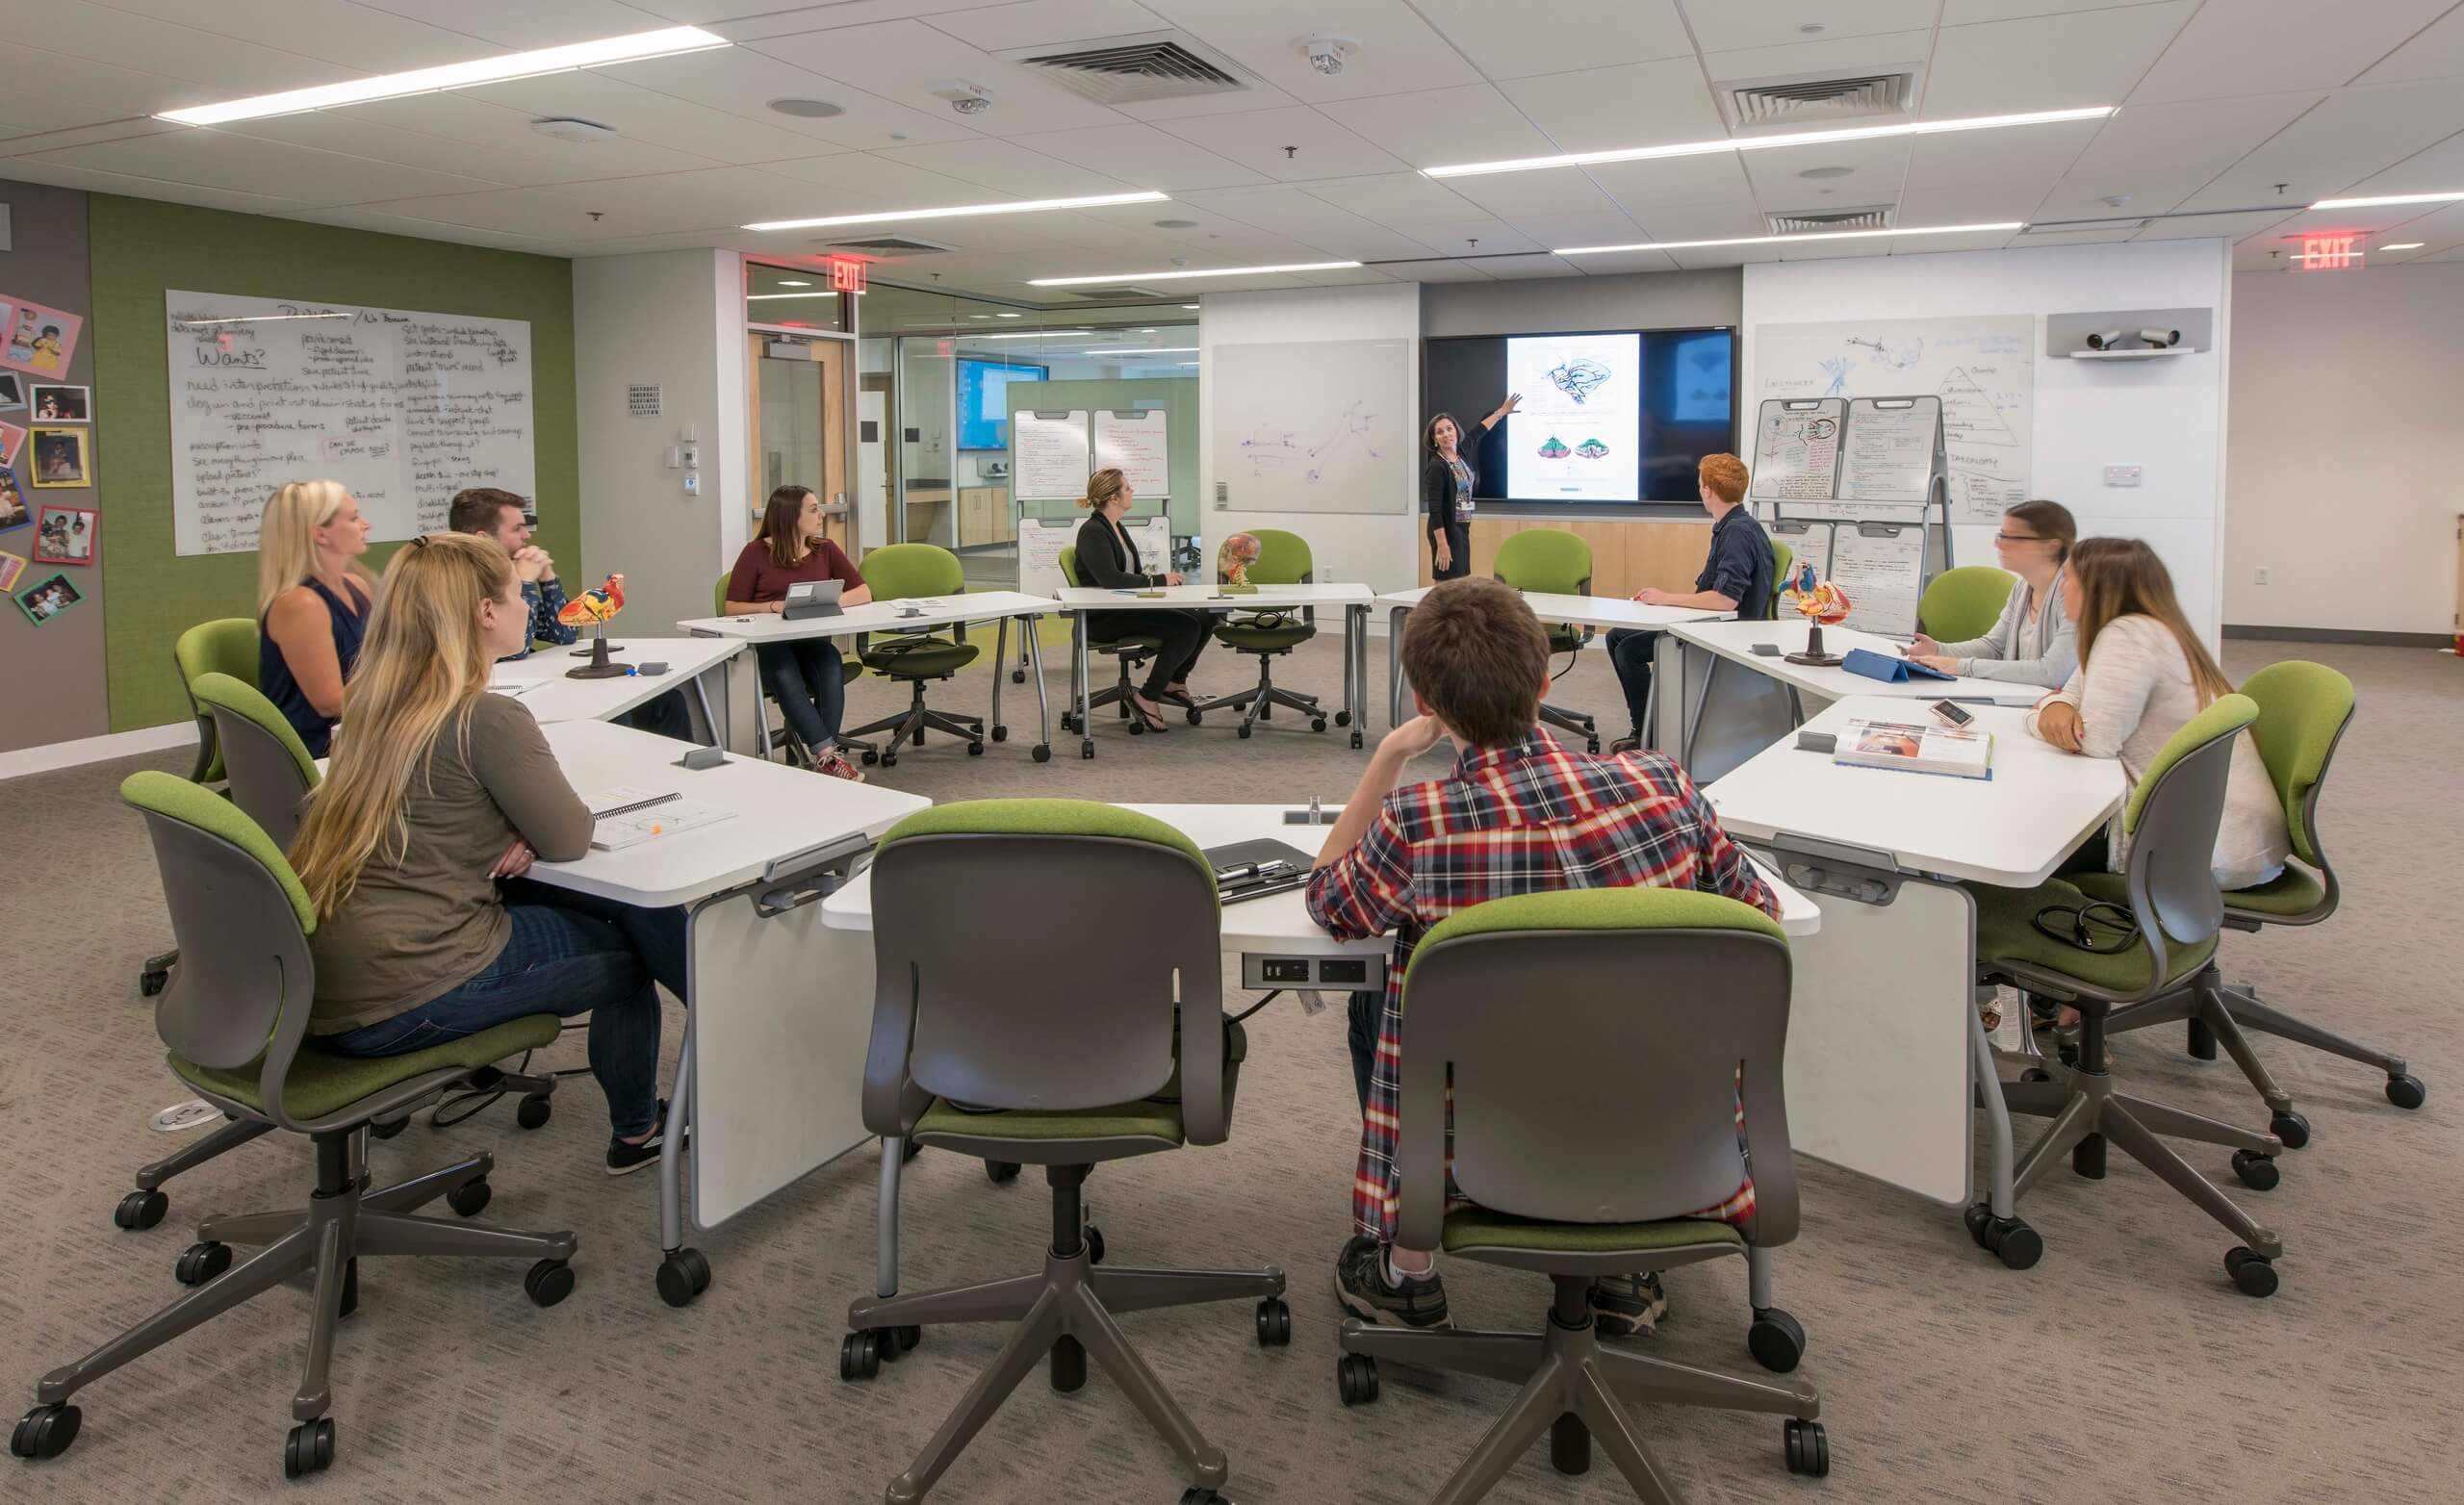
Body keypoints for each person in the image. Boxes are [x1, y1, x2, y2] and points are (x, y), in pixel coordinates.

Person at [1306, 576, 1780, 1338]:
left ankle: (1409, 1265)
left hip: (1484, 1139)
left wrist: (1389, 756)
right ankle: (1625, 1265)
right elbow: (1758, 921)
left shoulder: (1421, 823)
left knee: (1376, 999)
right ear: (1543, 680)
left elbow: (1331, 901)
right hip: (1660, 1123)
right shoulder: (1664, 786)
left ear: (1426, 704)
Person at [292, 533, 689, 1174]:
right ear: (483, 612)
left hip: (322, 985)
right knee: (630, 948)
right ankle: (640, 1131)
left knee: (591, 905)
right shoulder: (487, 719)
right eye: (515, 592)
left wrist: (507, 823)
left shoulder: (370, 707)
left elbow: (430, 804)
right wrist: (524, 824)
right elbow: (568, 837)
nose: (525, 604)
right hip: (410, 989)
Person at [2027, 537, 2289, 891]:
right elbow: (2070, 693)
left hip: (2200, 847)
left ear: (2098, 588)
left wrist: (2041, 714)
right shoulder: (2147, 628)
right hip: (2222, 831)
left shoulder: (2129, 639)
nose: (2062, 589)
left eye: (2070, 579)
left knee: (2015, 837)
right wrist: (2054, 705)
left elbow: (2093, 744)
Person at [449, 486, 694, 741]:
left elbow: (565, 633)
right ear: (483, 538)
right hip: (497, 693)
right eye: (516, 529)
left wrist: (547, 579)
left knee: (667, 701)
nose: (526, 536)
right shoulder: (461, 582)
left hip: (532, 683)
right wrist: (526, 583)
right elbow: (517, 649)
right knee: (613, 715)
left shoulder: (509, 572)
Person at [1605, 453, 1774, 752]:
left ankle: (1650, 735)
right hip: (1716, 623)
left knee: (1629, 650)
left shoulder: (1736, 533)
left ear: (1707, 490)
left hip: (1724, 633)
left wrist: (1666, 598)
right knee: (1616, 635)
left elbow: (1725, 600)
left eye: (1700, 484)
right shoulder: (1736, 524)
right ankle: (1645, 726)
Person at [725, 484, 870, 780]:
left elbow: (864, 592)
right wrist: (773, 606)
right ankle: (828, 756)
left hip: (812, 641)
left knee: (830, 662)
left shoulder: (824, 549)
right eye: (813, 509)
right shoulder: (755, 552)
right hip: (770, 645)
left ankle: (825, 757)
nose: (821, 515)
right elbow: (731, 607)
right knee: (783, 671)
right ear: (792, 516)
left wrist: (834, 599)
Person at [1071, 468, 1209, 733]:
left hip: (1126, 607)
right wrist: (1159, 580)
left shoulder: (1116, 527)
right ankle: (1149, 694)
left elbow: (1129, 575)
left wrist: (1159, 587)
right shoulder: (1093, 532)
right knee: (1187, 627)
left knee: (1204, 615)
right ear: (1113, 497)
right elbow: (1111, 578)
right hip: (1104, 618)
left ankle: (1175, 681)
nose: (1132, 490)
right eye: (1127, 487)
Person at [256, 479, 374, 759]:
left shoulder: (356, 585)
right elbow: (331, 703)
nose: (366, 524)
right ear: (321, 535)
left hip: (362, 729)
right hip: (322, 749)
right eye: (355, 518)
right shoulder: (301, 604)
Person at [1907, 498, 2078, 687]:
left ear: (2050, 546)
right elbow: (1995, 647)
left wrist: (1960, 666)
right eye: (2002, 535)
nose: (2000, 545)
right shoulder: (2022, 589)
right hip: (2021, 697)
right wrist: (1939, 650)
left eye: (2013, 537)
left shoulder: (2073, 596)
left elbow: (2052, 673)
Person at [1421, 395, 1519, 581]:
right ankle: (1440, 611)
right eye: (1439, 432)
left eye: (1449, 429)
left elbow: (1479, 430)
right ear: (1434, 439)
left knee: (1461, 578)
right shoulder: (1437, 466)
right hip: (1445, 530)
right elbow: (1434, 510)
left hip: (1461, 526)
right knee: (1446, 582)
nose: (1446, 434)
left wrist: (1502, 412)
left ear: (1456, 432)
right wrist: (1442, 544)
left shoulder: (1461, 452)